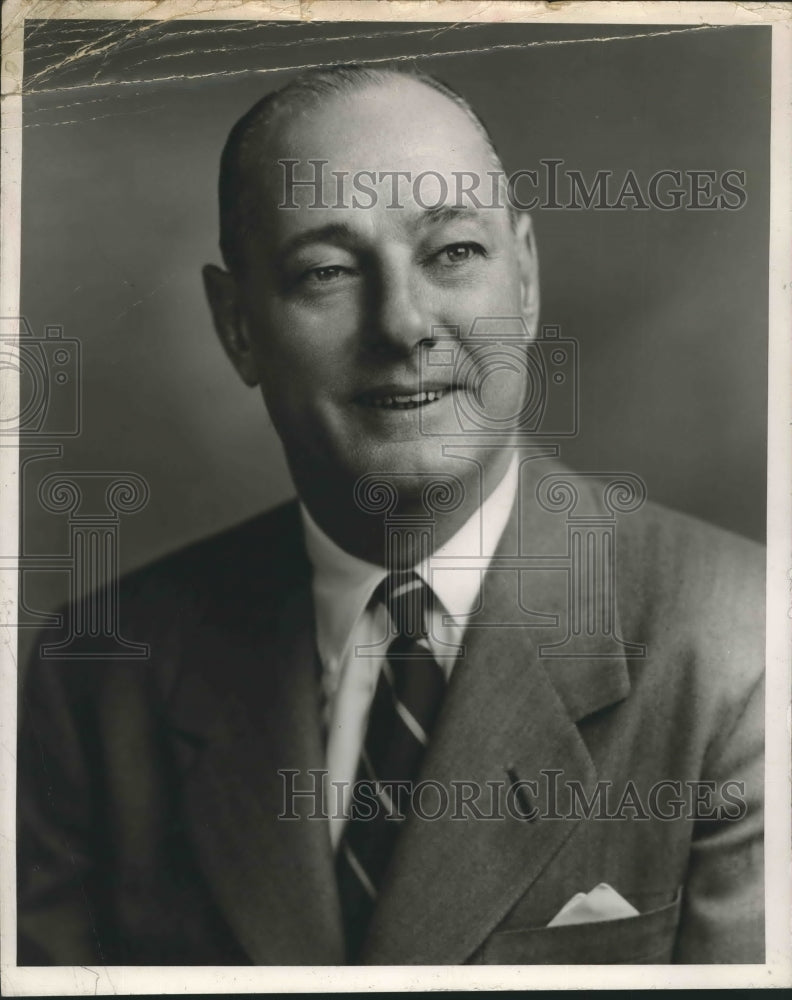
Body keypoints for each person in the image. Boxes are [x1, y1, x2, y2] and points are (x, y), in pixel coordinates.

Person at [17, 65, 764, 966]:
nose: (403, 325)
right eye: (326, 270)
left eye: (451, 252)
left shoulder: (743, 644)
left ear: (524, 279)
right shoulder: (98, 675)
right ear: (237, 326)